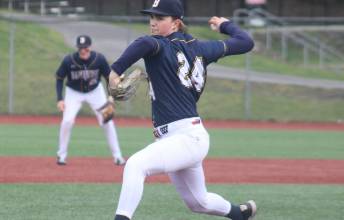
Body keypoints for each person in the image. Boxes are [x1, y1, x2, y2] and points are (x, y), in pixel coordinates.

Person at [109, 0, 255, 219]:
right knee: (199, 202)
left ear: (176, 23)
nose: (153, 22)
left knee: (135, 165)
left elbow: (143, 44)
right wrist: (226, 26)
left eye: (160, 18)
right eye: (151, 17)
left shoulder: (159, 45)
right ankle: (240, 213)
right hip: (187, 138)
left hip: (185, 137)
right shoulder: (203, 48)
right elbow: (245, 42)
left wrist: (115, 70)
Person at [55, 35, 126, 166]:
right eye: (81, 48)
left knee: (107, 121)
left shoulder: (99, 59)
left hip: (95, 91)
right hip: (73, 92)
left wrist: (110, 96)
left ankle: (118, 157)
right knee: (67, 121)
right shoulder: (68, 60)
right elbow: (59, 78)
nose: (83, 50)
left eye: (85, 48)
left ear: (90, 47)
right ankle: (61, 156)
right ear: (77, 48)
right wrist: (60, 99)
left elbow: (108, 77)